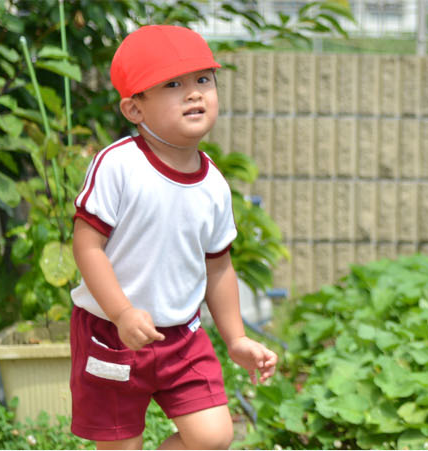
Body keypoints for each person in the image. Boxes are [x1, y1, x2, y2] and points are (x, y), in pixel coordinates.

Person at [70, 24, 277, 450]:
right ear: (134, 110)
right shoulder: (119, 165)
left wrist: (236, 337)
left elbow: (218, 266)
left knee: (213, 437)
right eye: (172, 84)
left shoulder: (214, 185)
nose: (194, 93)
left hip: (183, 337)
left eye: (203, 79)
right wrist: (123, 313)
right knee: (119, 443)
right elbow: (87, 246)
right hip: (113, 331)